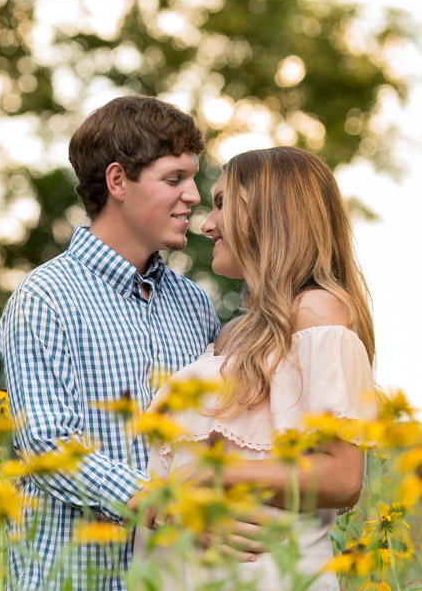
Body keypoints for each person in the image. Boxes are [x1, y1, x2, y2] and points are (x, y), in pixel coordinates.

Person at [0, 95, 221, 590]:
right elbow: (45, 441)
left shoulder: (195, 305)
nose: (193, 196)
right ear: (118, 181)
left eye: (193, 178)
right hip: (74, 577)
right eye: (174, 179)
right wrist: (154, 498)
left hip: (174, 576)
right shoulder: (46, 297)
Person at [132, 146, 377, 590]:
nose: (206, 223)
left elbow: (343, 477)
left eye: (222, 203)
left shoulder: (317, 314)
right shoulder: (231, 335)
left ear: (271, 211)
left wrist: (214, 475)